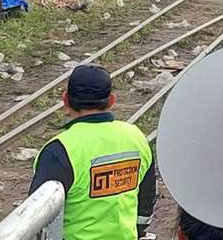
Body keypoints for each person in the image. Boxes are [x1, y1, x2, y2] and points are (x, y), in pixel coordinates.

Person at [30, 64, 155, 240]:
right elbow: (145, 204)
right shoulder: (136, 137)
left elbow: (37, 218)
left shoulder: (59, 150)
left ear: (65, 100)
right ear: (111, 101)